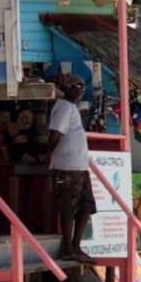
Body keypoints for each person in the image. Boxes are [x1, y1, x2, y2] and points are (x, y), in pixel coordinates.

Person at [47, 75, 97, 264]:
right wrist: (46, 154)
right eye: (73, 85)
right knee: (68, 208)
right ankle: (68, 248)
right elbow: (54, 135)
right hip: (67, 168)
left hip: (79, 167)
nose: (78, 89)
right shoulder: (63, 107)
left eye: (81, 86)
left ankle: (77, 246)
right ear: (64, 87)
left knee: (85, 207)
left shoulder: (71, 108)